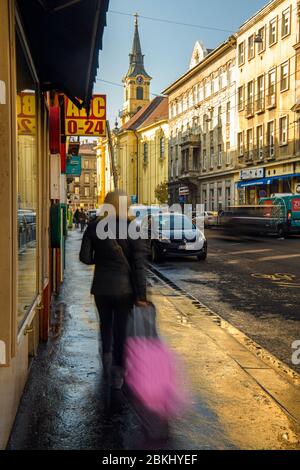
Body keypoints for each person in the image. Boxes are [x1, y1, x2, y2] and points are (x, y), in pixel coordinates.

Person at [79, 190, 147, 389]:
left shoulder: (93, 227)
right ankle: (118, 371)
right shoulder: (133, 228)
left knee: (105, 325)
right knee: (121, 329)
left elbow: (85, 258)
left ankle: (106, 359)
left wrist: (99, 259)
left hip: (101, 287)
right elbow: (139, 264)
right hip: (125, 290)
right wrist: (141, 295)